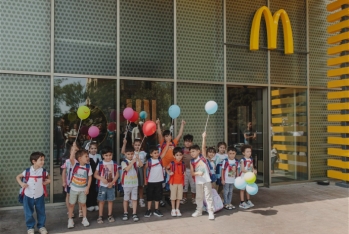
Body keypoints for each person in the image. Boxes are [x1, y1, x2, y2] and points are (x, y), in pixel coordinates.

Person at [16, 152, 50, 234]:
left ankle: (41, 226)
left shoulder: (43, 171)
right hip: (28, 195)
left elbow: (49, 178)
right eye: (41, 160)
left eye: (43, 160)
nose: (43, 162)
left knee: (41, 212)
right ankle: (30, 227)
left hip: (39, 195)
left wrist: (48, 181)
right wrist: (21, 184)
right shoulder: (27, 171)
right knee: (28, 213)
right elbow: (17, 177)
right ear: (34, 161)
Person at [190, 138, 215, 220]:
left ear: (198, 151)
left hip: (207, 180)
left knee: (208, 196)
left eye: (193, 151)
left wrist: (204, 137)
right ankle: (199, 211)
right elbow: (192, 173)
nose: (191, 153)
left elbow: (204, 147)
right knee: (199, 197)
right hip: (198, 182)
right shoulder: (192, 161)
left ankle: (210, 211)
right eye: (190, 152)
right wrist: (198, 173)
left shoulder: (203, 157)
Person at [67, 149, 92, 229]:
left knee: (83, 204)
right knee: (71, 205)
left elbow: (90, 177)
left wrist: (87, 187)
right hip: (74, 189)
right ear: (80, 158)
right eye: (86, 156)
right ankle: (70, 220)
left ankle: (84, 218)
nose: (88, 158)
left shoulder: (88, 166)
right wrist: (73, 148)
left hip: (83, 189)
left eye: (88, 156)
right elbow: (71, 158)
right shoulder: (75, 164)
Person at [94, 146, 119, 224]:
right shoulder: (100, 164)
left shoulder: (114, 163)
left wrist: (112, 183)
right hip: (102, 186)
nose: (108, 157)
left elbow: (117, 174)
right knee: (101, 201)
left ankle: (110, 215)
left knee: (110, 201)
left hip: (111, 186)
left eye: (110, 155)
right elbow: (95, 175)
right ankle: (100, 216)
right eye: (106, 155)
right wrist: (102, 179)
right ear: (103, 156)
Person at [121, 138, 147, 208]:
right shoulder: (131, 152)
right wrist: (124, 143)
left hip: (140, 169)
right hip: (132, 169)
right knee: (131, 186)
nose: (137, 146)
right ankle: (130, 200)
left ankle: (141, 199)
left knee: (140, 185)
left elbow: (143, 164)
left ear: (141, 145)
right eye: (136, 145)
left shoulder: (143, 153)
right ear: (133, 145)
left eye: (139, 145)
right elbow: (123, 152)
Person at [143, 145, 168, 218]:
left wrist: (168, 142)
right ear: (151, 154)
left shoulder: (160, 160)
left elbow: (165, 151)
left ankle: (157, 209)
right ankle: (148, 209)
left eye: (157, 152)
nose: (157, 154)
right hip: (151, 181)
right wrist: (145, 179)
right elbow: (145, 169)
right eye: (155, 153)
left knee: (158, 196)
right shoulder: (149, 161)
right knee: (149, 196)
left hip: (159, 181)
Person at [121, 146, 143, 222]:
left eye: (131, 154)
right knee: (126, 199)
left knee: (134, 198)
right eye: (128, 154)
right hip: (127, 184)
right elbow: (126, 169)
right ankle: (125, 212)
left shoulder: (135, 161)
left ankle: (134, 213)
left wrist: (138, 158)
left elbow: (141, 165)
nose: (130, 155)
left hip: (134, 184)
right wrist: (132, 162)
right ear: (125, 154)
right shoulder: (124, 162)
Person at [61, 141, 82, 218]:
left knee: (80, 196)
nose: (74, 151)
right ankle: (70, 211)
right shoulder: (67, 161)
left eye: (76, 150)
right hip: (69, 182)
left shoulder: (80, 161)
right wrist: (63, 181)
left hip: (79, 182)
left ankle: (80, 210)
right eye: (72, 150)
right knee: (68, 196)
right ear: (70, 151)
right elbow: (64, 172)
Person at [166, 147, 185, 217]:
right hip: (173, 182)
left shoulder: (183, 163)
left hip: (180, 182)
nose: (179, 156)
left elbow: (183, 171)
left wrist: (184, 172)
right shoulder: (172, 163)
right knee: (173, 197)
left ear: (182, 155)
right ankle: (173, 209)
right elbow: (166, 168)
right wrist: (169, 173)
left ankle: (177, 209)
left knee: (179, 197)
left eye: (180, 155)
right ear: (174, 156)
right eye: (177, 155)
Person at [238, 144, 257, 209]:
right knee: (242, 189)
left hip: (249, 177)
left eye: (250, 151)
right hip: (243, 177)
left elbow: (252, 167)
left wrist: (254, 171)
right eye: (247, 151)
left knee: (248, 189)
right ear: (243, 153)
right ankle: (242, 202)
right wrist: (250, 172)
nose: (249, 153)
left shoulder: (251, 159)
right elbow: (243, 169)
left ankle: (248, 200)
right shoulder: (242, 160)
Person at [86, 142, 102, 211]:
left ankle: (95, 203)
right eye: (91, 148)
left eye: (95, 148)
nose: (93, 150)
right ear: (89, 149)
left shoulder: (98, 156)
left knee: (96, 190)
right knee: (90, 189)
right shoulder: (87, 156)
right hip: (90, 176)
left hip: (97, 175)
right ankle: (89, 204)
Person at [181, 134, 196, 205]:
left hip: (193, 171)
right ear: (184, 142)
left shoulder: (194, 150)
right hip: (184, 170)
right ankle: (184, 198)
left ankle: (193, 198)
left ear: (192, 143)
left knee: (193, 185)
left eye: (189, 141)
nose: (188, 143)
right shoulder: (182, 150)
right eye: (186, 141)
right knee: (185, 185)